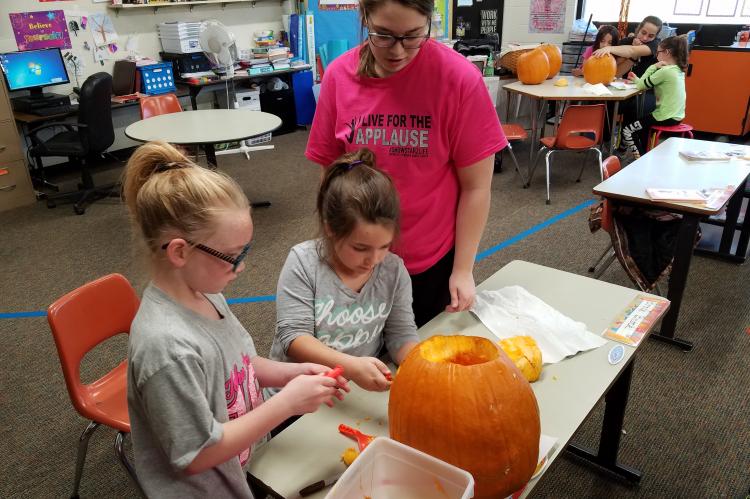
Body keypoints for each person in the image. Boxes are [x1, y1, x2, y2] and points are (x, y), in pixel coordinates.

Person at [122, 141, 348, 498]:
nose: (242, 266)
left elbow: (238, 362)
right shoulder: (167, 348)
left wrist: (290, 373)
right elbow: (197, 454)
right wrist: (286, 403)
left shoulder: (206, 290)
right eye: (231, 255)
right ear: (180, 251)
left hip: (239, 469)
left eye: (245, 250)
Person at [306, 0, 507, 327]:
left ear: (430, 21)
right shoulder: (340, 77)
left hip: (429, 263)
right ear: (364, 17)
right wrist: (335, 246)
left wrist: (463, 269)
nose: (397, 51)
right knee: (360, 361)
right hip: (359, 260)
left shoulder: (458, 79)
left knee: (421, 360)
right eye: (383, 35)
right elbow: (331, 178)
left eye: (413, 36)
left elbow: (476, 187)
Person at [270, 148, 420, 394]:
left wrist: (423, 365)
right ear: (331, 229)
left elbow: (401, 334)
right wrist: (351, 366)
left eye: (384, 246)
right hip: (297, 397)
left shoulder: (393, 270)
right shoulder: (304, 263)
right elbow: (294, 338)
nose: (373, 259)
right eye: (360, 248)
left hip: (353, 393)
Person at [620, 35, 688, 159]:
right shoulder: (677, 70)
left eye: (658, 52)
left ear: (667, 52)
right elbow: (644, 83)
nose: (657, 55)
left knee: (628, 130)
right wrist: (636, 79)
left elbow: (641, 86)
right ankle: (645, 155)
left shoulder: (664, 71)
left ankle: (639, 160)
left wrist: (653, 67)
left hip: (664, 116)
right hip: (677, 116)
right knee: (642, 127)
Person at [592, 16, 663, 78]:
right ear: (639, 29)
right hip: (625, 86)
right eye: (643, 32)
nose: (645, 38)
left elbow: (632, 51)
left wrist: (608, 48)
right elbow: (615, 73)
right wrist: (632, 58)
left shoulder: (655, 44)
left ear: (656, 36)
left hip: (647, 90)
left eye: (651, 36)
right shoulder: (627, 41)